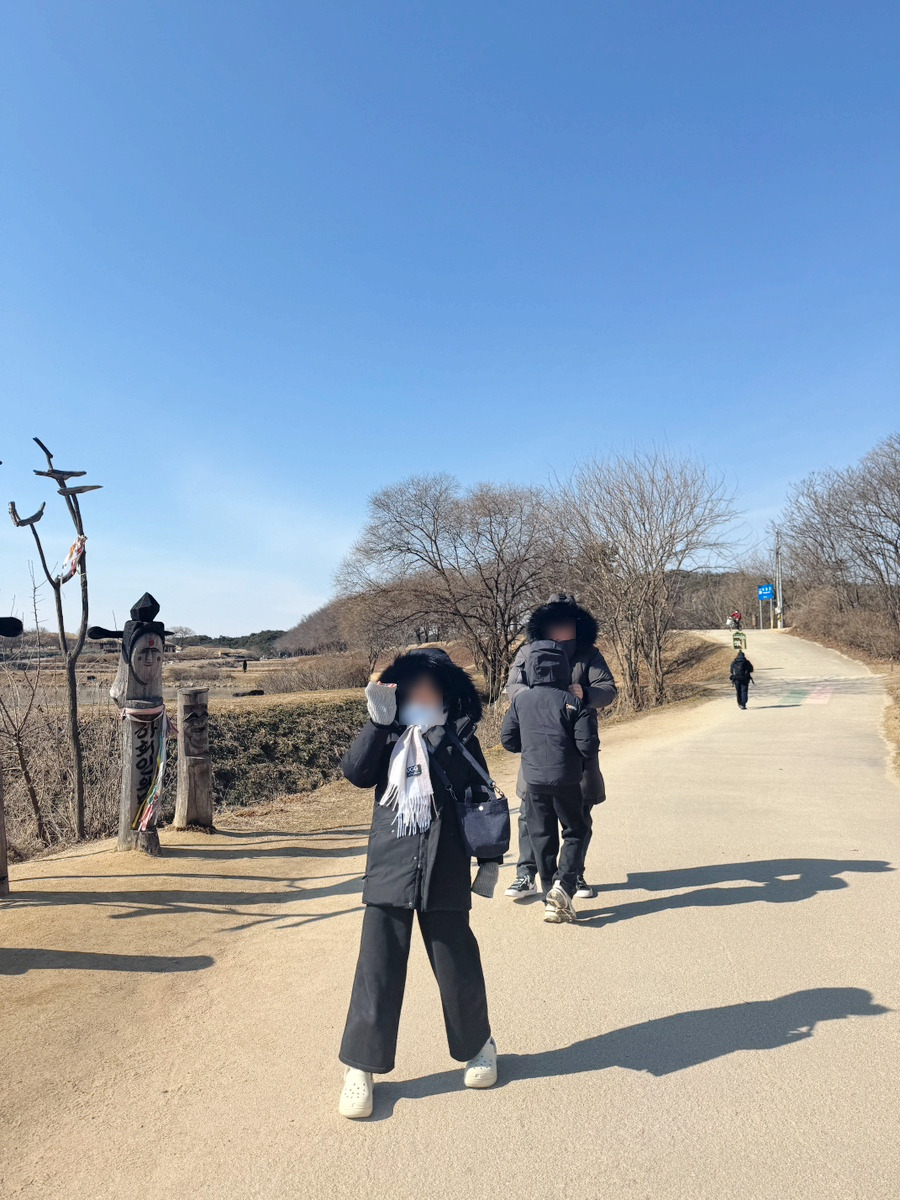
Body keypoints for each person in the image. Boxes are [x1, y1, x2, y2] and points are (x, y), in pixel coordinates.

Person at [337, 647, 499, 1119]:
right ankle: (360, 1069)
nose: (420, 696)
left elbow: (482, 797)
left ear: (446, 694)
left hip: (446, 865)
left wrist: (489, 860)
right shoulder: (387, 735)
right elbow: (355, 773)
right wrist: (376, 724)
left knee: (456, 962)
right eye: (411, 689)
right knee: (377, 968)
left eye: (429, 688)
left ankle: (479, 1045)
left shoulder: (460, 740)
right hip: (390, 866)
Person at [504, 594, 617, 900]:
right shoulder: (527, 652)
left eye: (567, 624)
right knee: (529, 811)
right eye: (554, 624)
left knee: (580, 811)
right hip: (537, 742)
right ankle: (526, 873)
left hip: (578, 744)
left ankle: (572, 874)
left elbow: (608, 690)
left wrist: (584, 693)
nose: (561, 630)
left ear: (579, 626)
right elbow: (514, 687)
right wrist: (535, 699)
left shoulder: (588, 654)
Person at [500, 641, 600, 923]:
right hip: (567, 780)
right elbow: (588, 746)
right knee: (575, 830)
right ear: (564, 668)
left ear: (532, 668)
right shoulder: (573, 702)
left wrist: (530, 749)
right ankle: (564, 885)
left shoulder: (521, 701)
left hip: (533, 781)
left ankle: (549, 896)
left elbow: (507, 740)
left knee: (541, 837)